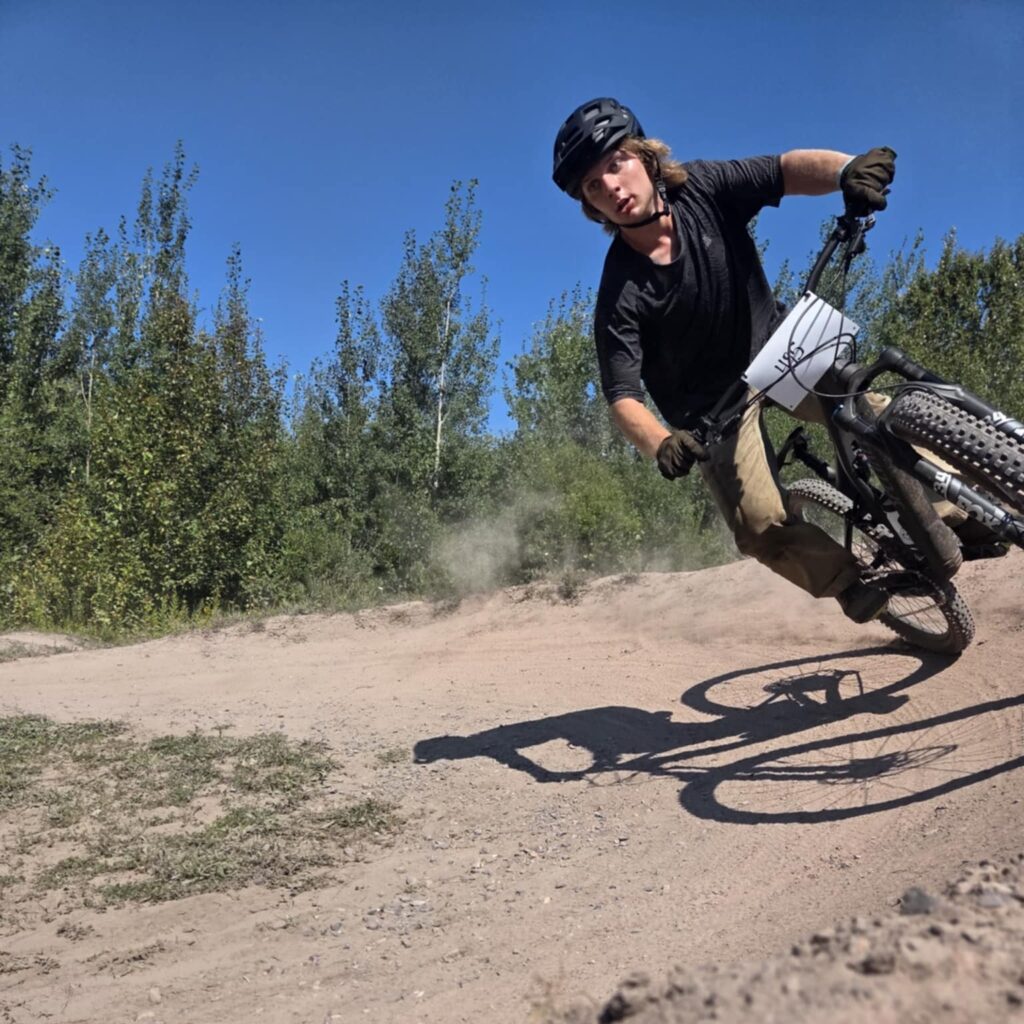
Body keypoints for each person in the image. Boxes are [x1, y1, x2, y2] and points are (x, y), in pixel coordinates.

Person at [551, 96, 960, 623]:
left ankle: (958, 510)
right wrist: (661, 444)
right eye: (592, 185)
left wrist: (846, 170)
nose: (611, 186)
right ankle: (844, 580)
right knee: (758, 527)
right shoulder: (620, 291)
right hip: (712, 410)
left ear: (645, 159)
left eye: (616, 163)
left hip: (777, 342)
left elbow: (783, 170)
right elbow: (622, 396)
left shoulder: (702, 186)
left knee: (876, 413)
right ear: (590, 206)